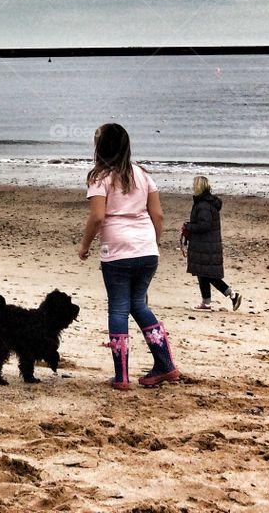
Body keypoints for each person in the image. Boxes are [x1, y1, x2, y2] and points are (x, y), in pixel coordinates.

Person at [78, 122, 179, 390]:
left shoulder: (99, 178)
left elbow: (98, 216)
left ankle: (121, 375)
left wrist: (84, 246)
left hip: (117, 251)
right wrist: (153, 242)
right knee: (139, 304)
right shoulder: (143, 175)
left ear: (101, 148)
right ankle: (165, 364)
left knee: (119, 307)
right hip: (146, 249)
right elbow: (158, 214)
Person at [184, 175, 241, 311]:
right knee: (204, 273)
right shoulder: (207, 203)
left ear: (198, 187)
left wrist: (189, 226)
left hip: (205, 244)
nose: (192, 187)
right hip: (207, 244)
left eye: (194, 184)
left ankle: (230, 295)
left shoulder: (203, 204)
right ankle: (208, 302)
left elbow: (205, 225)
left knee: (206, 274)